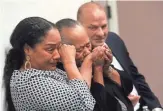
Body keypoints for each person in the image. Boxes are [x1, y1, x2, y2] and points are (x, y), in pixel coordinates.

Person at [77, 2, 163, 111]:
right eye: (93, 28)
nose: (100, 33)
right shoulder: (79, 58)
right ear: (79, 27)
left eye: (103, 26)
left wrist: (155, 107)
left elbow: (135, 76)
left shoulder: (114, 40)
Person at [3, 17, 95, 111]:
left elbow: (82, 90)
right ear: (27, 49)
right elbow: (84, 106)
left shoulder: (46, 70)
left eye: (59, 47)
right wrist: (70, 62)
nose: (58, 55)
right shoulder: (29, 82)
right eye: (50, 49)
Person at [56, 18, 134, 111]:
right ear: (64, 51)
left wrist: (107, 68)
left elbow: (128, 85)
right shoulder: (63, 75)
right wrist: (98, 69)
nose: (86, 52)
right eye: (79, 50)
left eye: (87, 45)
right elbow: (101, 106)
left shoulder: (94, 54)